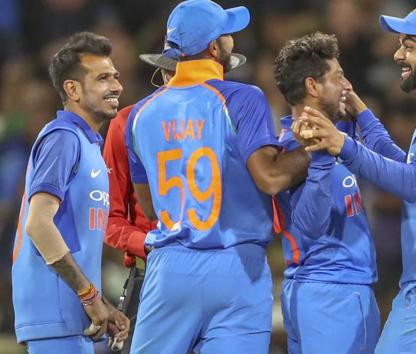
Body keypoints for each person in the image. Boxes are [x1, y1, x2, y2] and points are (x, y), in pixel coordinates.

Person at [294, 4, 416, 353]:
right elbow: (411, 171)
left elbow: (413, 183)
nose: (398, 53)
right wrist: (364, 118)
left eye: (410, 45)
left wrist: (343, 145)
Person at [125, 1, 309, 353]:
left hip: (170, 268)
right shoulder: (243, 98)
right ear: (214, 47)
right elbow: (270, 178)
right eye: (228, 34)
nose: (232, 41)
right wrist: (317, 147)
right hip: (237, 266)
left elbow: (148, 207)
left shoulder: (139, 114)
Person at [104, 39, 247, 354]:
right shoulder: (129, 122)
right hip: (156, 273)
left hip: (224, 270)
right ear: (164, 74)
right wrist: (150, 244)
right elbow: (109, 219)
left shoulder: (234, 118)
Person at [11, 31, 130, 353]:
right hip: (54, 313)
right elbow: (39, 224)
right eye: (103, 78)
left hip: (70, 315)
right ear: (72, 89)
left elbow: (72, 238)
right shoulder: (62, 138)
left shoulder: (87, 145)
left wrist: (100, 302)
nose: (116, 86)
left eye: (116, 77)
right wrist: (89, 296)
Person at [273, 32, 380, 354]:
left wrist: (359, 118)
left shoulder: (299, 142)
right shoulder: (304, 149)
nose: (347, 85)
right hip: (336, 294)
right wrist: (320, 162)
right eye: (338, 76)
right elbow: (310, 225)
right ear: (313, 86)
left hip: (308, 291)